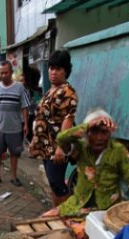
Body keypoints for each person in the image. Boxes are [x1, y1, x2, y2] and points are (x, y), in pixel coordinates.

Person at [56, 109, 129, 217]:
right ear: (87, 133)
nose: (99, 137)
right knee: (45, 219)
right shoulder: (81, 147)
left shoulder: (118, 150)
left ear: (110, 133)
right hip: (78, 205)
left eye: (104, 132)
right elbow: (61, 138)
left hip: (108, 209)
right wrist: (87, 125)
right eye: (94, 131)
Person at [29, 50, 78, 206]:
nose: (53, 72)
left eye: (58, 68)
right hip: (45, 144)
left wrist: (61, 148)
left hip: (56, 145)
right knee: (53, 183)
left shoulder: (67, 92)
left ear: (66, 71)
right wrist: (35, 140)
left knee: (57, 184)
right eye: (51, 68)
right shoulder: (50, 91)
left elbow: (67, 120)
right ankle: (57, 212)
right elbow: (42, 117)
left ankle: (64, 215)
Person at [0, 61, 30, 186]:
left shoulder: (20, 87)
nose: (3, 75)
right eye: (1, 73)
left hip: (15, 127)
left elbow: (25, 107)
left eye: (6, 72)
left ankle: (13, 176)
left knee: (14, 153)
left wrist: (26, 124)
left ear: (11, 72)